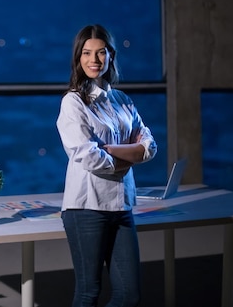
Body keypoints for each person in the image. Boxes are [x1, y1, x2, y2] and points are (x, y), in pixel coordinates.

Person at [56, 24, 157, 307]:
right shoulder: (73, 102)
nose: (94, 60)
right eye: (87, 53)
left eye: (101, 53)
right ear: (78, 58)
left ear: (111, 56)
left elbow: (149, 146)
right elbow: (87, 156)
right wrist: (129, 154)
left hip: (121, 206)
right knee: (89, 292)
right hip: (86, 208)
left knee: (129, 295)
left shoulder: (122, 101)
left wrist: (112, 150)